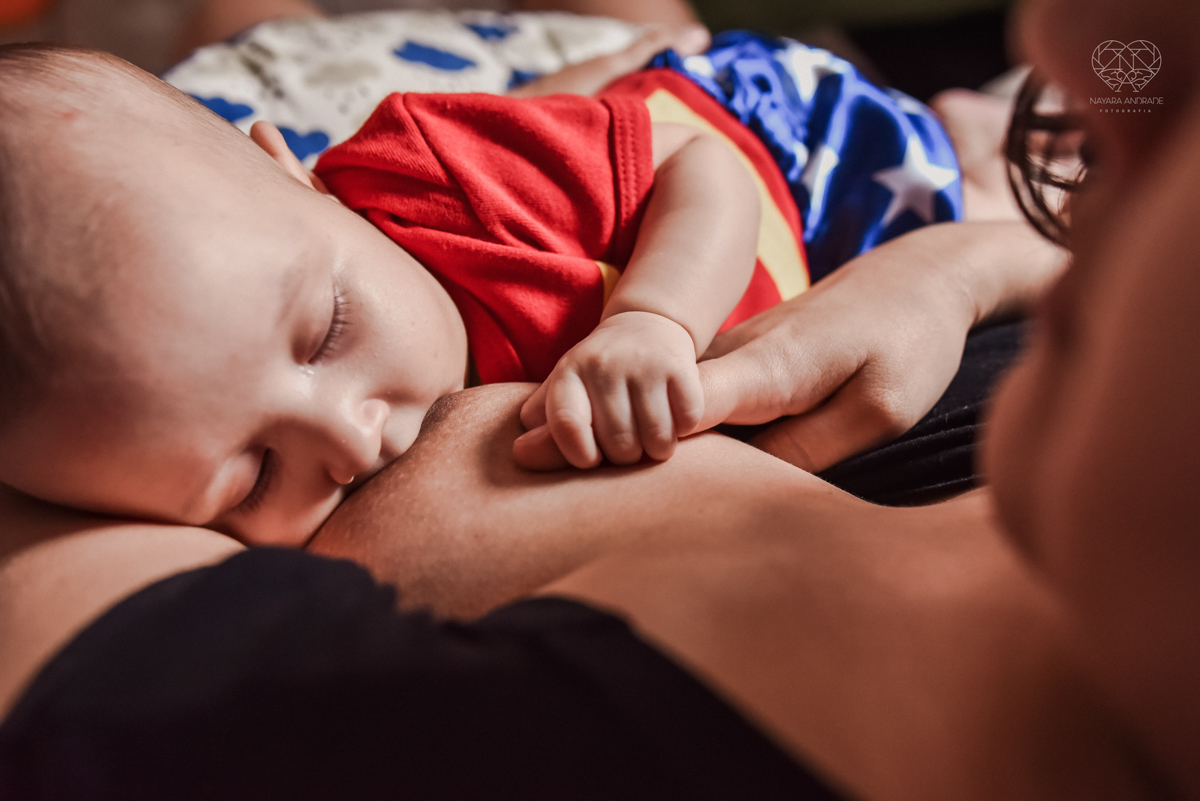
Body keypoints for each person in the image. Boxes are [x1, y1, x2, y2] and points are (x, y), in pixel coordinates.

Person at [0, 15, 998, 546]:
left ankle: (968, 125)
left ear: (292, 168)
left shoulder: (433, 172)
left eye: (330, 330)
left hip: (796, 156)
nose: (351, 435)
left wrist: (652, 318)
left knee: (973, 181)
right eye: (252, 475)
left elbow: (708, 173)